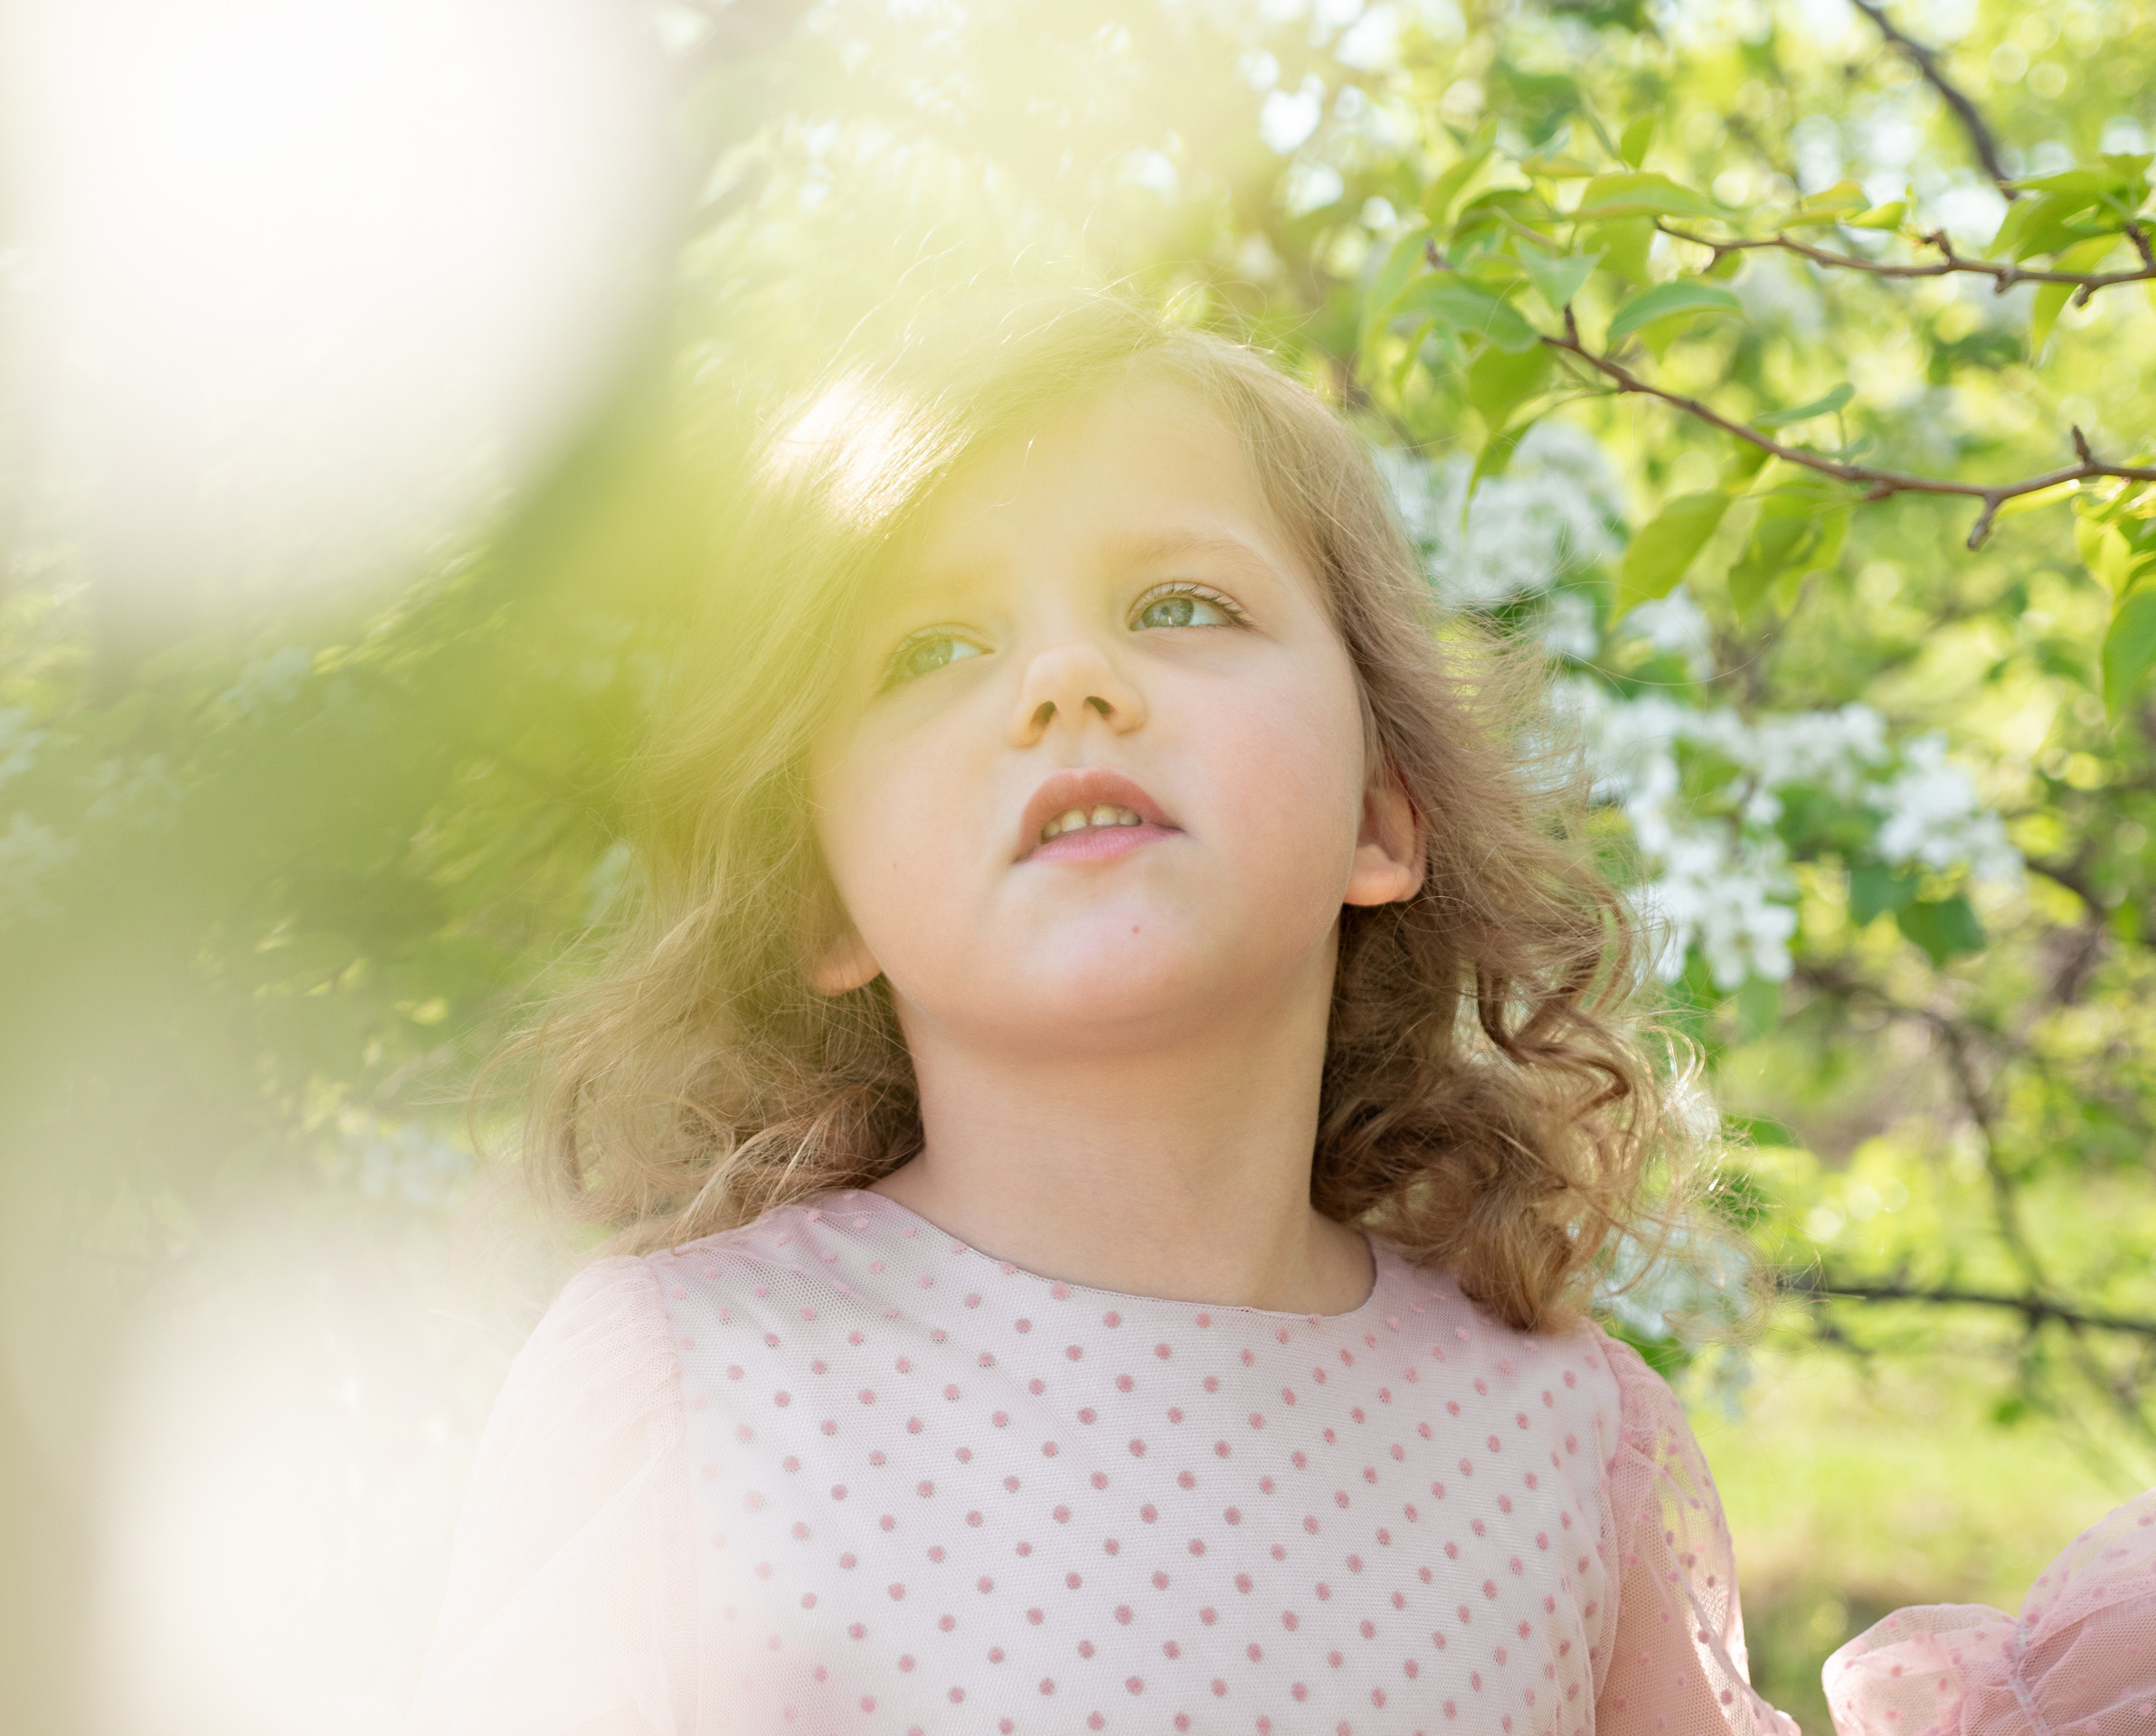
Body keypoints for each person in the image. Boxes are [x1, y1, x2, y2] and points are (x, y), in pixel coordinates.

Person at [404, 292, 2155, 1736]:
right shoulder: (693, 1387)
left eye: (1182, 606)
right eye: (932, 650)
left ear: (1382, 812)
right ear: (826, 896)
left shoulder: (1565, 1444)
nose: (1067, 682)